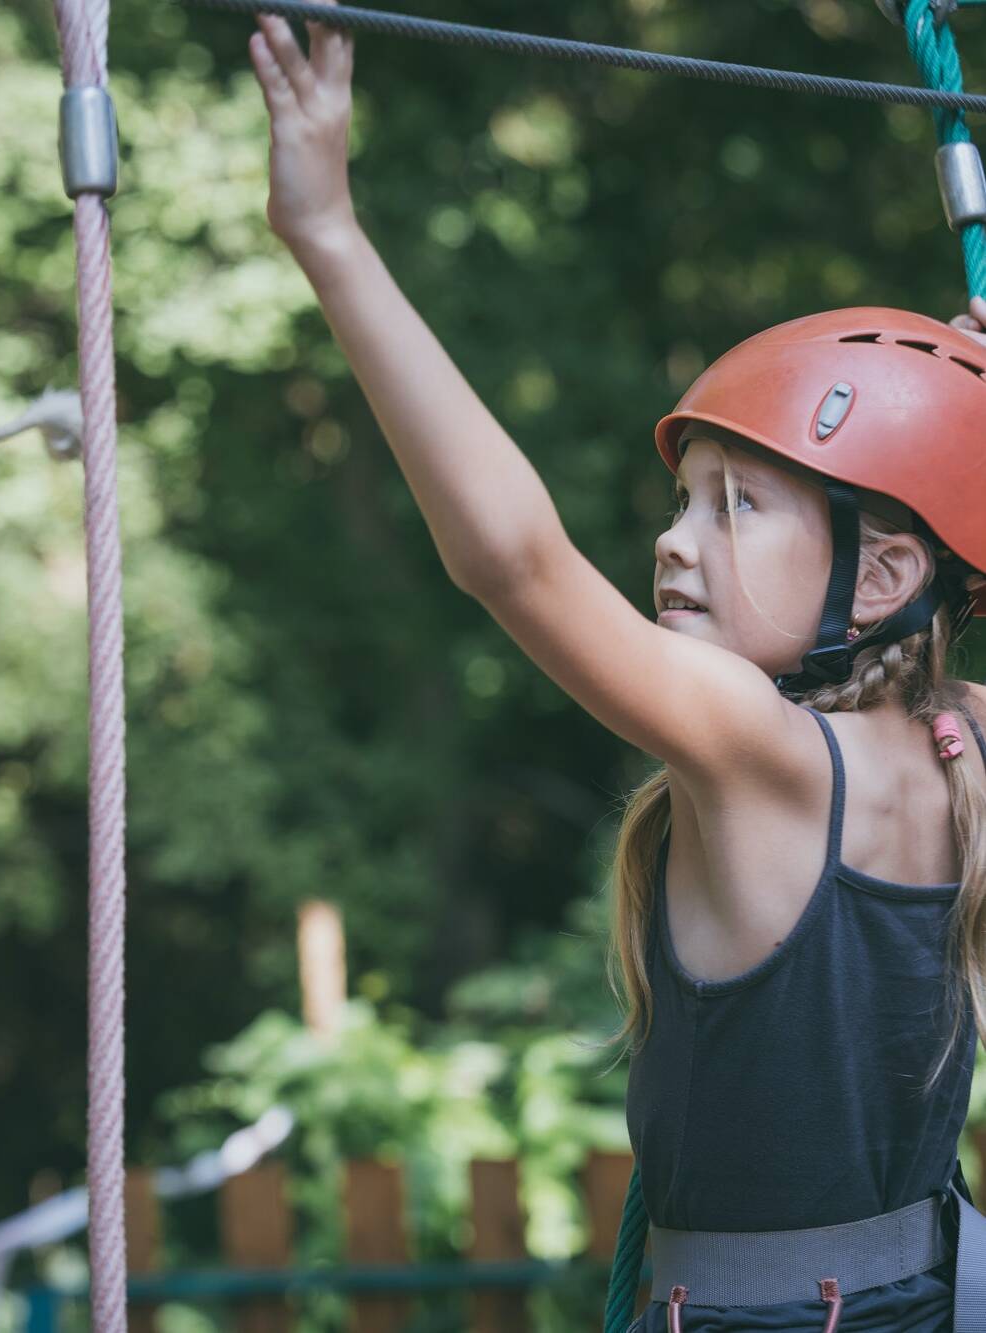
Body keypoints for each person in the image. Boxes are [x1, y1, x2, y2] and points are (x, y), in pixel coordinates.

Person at [247, 6, 986, 1329]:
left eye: (733, 506)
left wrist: (329, 237)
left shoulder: (756, 745)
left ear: (878, 576)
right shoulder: (965, 745)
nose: (671, 541)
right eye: (681, 499)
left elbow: (515, 564)